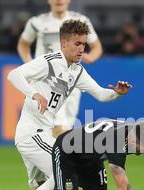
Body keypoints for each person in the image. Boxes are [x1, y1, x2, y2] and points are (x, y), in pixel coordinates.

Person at [7, 19, 132, 190]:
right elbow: (14, 75)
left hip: (43, 134)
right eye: (77, 43)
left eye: (84, 44)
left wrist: (117, 93)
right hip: (31, 134)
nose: (82, 48)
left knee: (51, 188)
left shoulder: (77, 71)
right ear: (63, 43)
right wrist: (34, 93)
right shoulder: (49, 62)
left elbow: (101, 95)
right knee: (62, 175)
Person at [17, 0, 103, 137]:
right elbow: (23, 44)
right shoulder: (37, 22)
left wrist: (91, 57)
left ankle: (54, 156)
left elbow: (97, 46)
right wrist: (30, 65)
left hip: (71, 81)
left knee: (64, 130)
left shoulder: (81, 21)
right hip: (48, 81)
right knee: (58, 126)